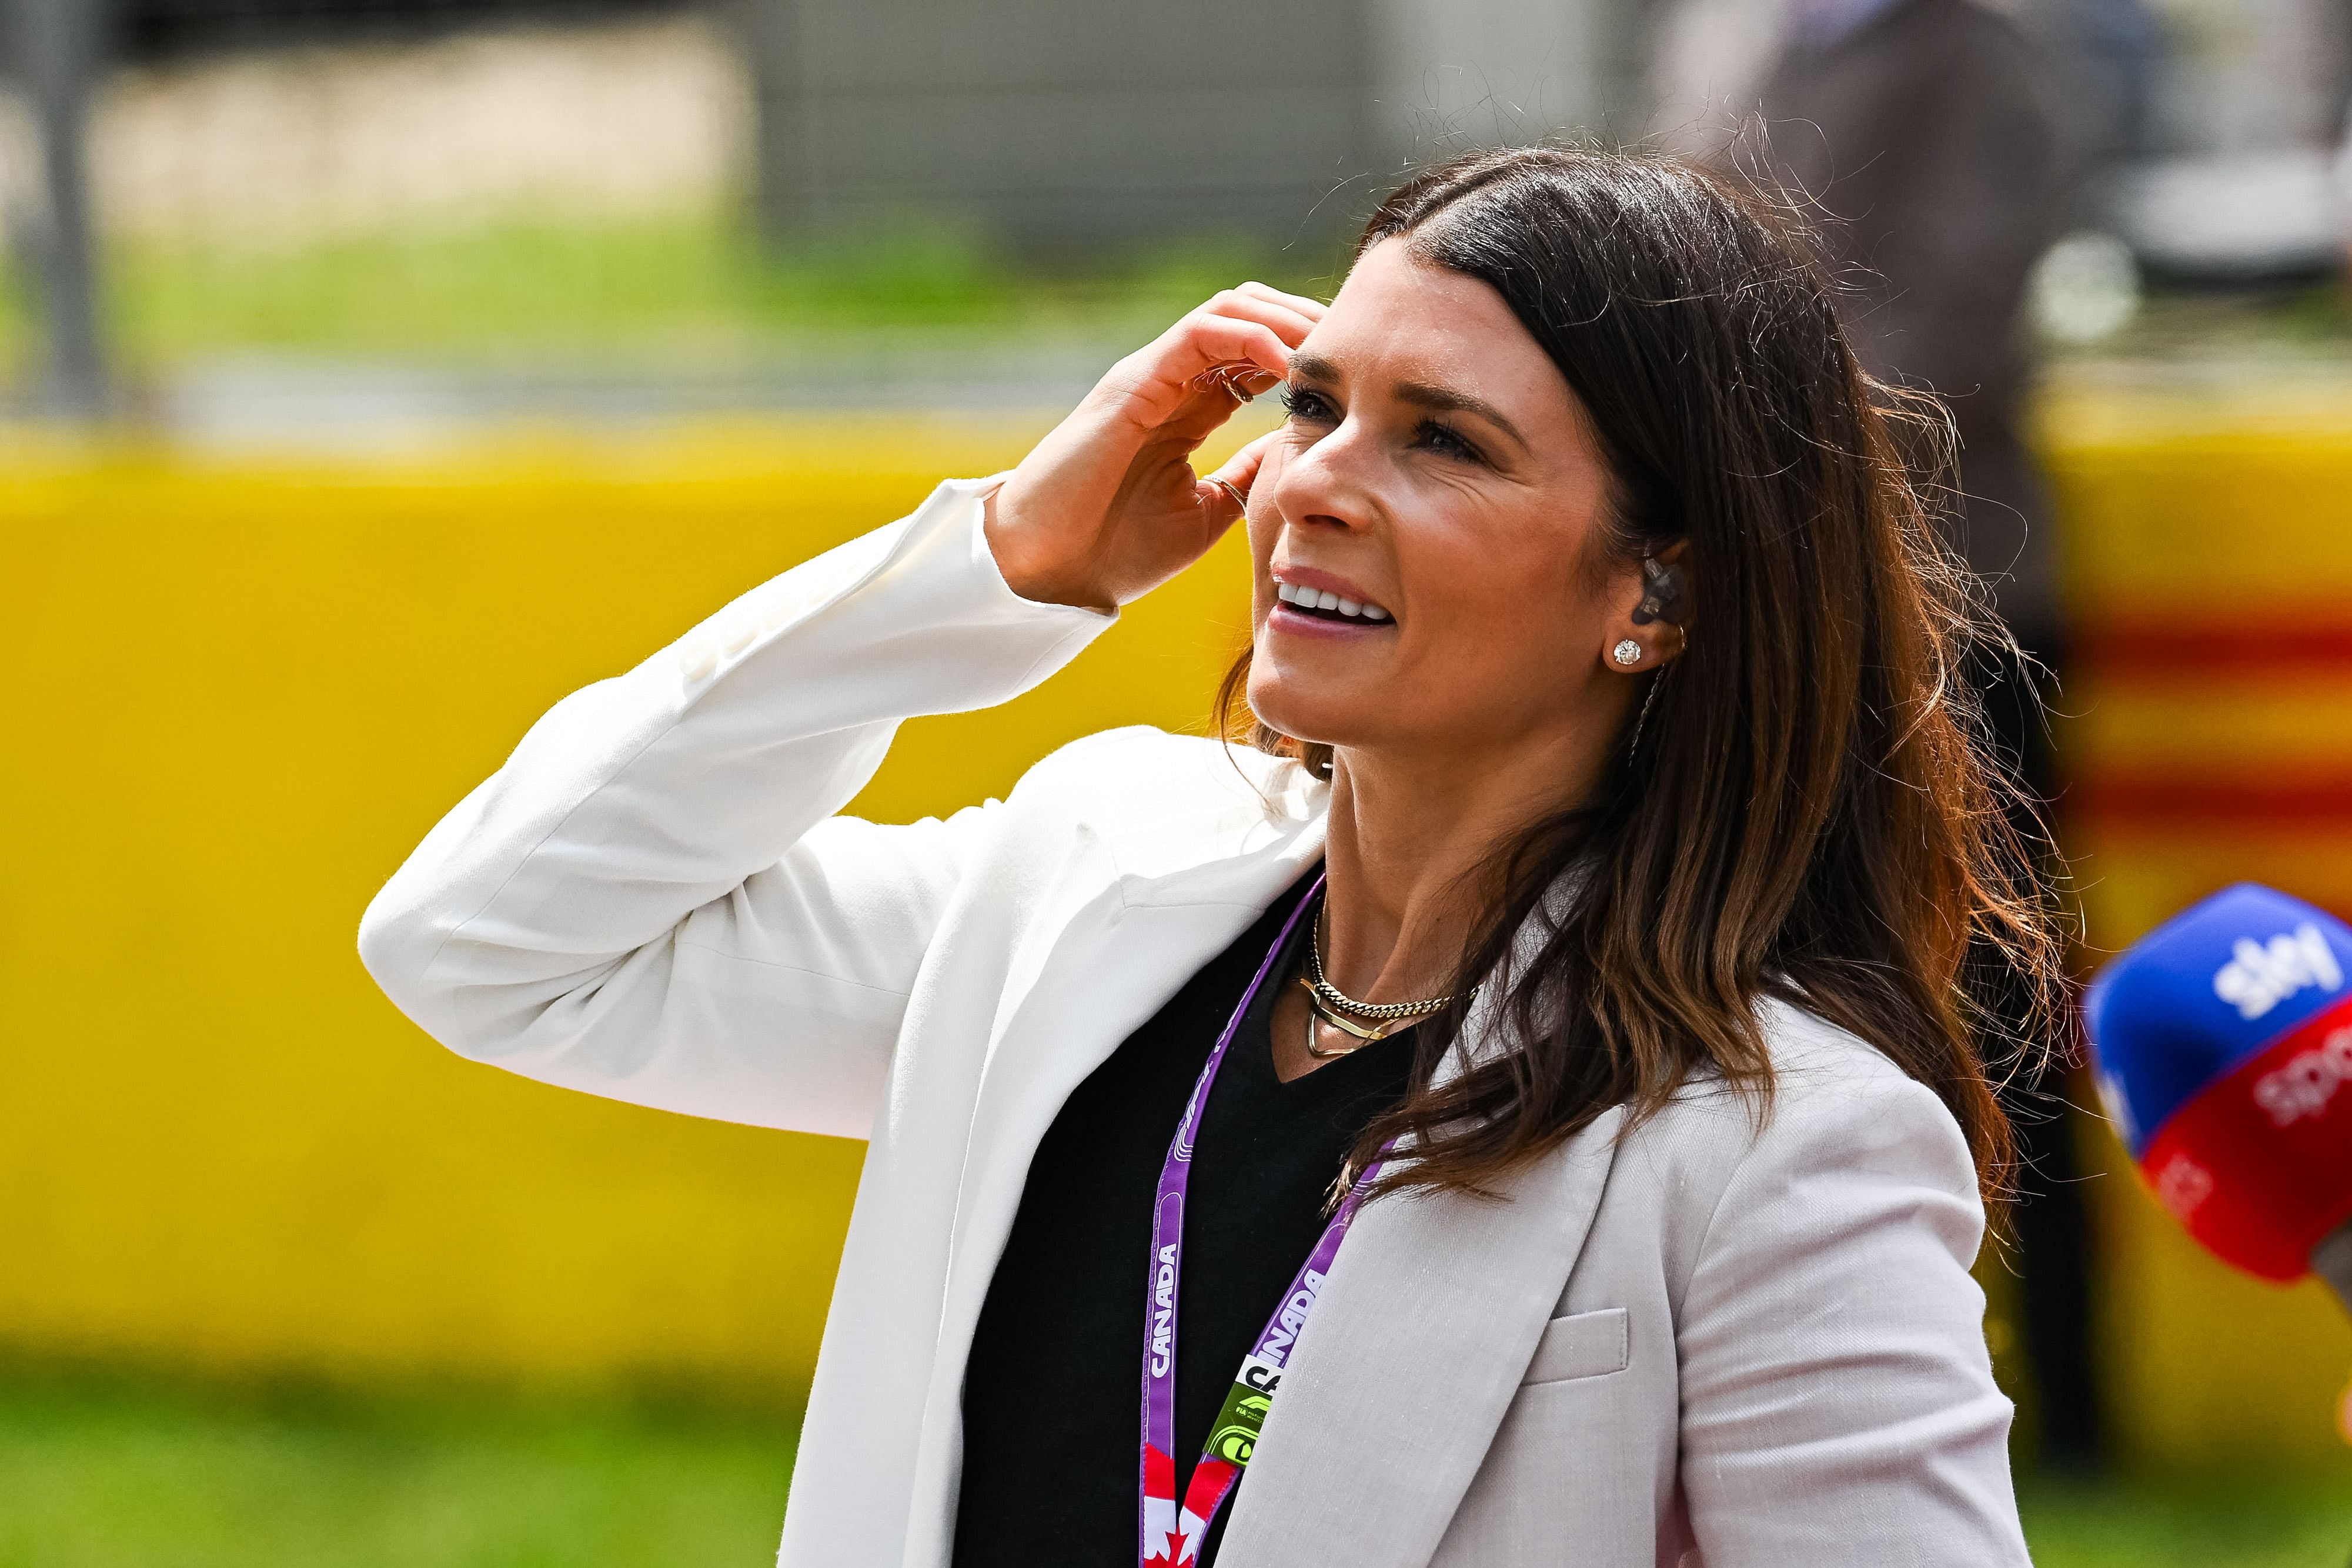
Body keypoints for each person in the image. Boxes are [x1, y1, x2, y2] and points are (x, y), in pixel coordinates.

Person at [359, 147, 2063, 1567]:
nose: (1311, 483)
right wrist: (1001, 567)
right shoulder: (1085, 878)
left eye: (1442, 438)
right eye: (1313, 404)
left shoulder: (1782, 1145)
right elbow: (489, 937)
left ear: (1658, 592)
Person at [1734, 0, 2100, 1470]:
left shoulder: (1986, 50)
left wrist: (1712, 418)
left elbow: (1951, 322)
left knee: (2000, 992)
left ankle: (2063, 1411)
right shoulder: (1739, 27)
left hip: (1953, 597)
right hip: (1760, 595)